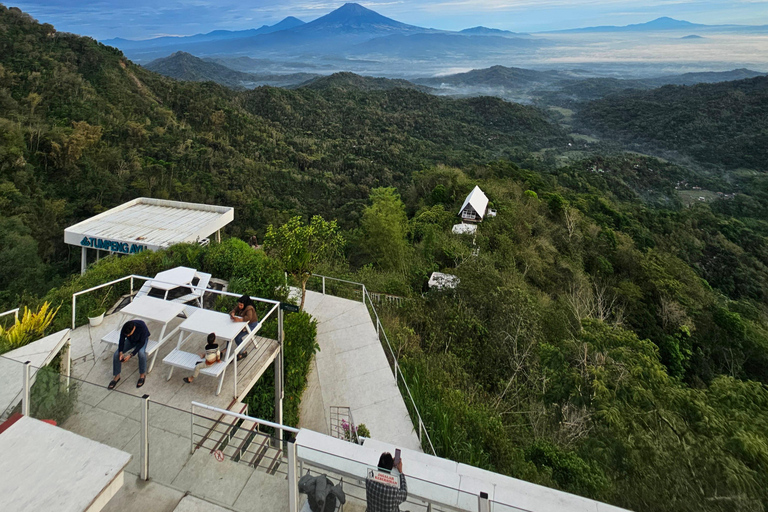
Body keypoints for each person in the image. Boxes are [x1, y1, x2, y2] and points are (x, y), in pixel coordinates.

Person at [109, 320, 150, 389]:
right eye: (127, 335)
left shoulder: (142, 326)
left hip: (141, 341)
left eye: (129, 334)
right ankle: (117, 376)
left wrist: (131, 355)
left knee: (141, 354)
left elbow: (141, 343)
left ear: (134, 328)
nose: (127, 335)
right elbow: (122, 339)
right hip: (130, 341)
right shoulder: (126, 327)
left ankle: (142, 375)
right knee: (116, 355)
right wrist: (121, 352)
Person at [226, 294, 259, 361]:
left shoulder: (249, 308)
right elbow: (235, 309)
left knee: (237, 337)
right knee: (230, 332)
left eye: (241, 305)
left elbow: (249, 318)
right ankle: (227, 348)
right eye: (239, 305)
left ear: (245, 304)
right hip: (242, 323)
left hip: (251, 325)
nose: (239, 306)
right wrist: (233, 313)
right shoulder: (241, 306)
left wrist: (239, 320)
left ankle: (243, 352)